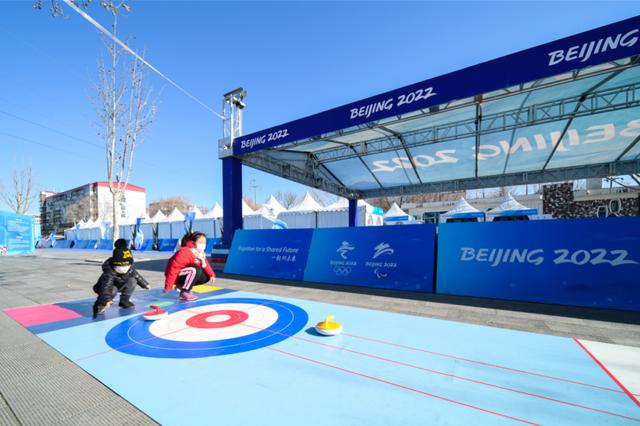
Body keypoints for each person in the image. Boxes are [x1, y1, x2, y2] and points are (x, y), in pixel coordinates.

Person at [92, 239, 151, 318]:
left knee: (133, 280)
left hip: (121, 284)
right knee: (113, 290)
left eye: (127, 266)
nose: (125, 268)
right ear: (115, 264)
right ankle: (100, 305)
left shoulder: (129, 268)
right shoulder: (109, 272)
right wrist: (107, 299)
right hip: (105, 289)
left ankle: (124, 301)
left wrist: (145, 284)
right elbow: (106, 287)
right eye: (122, 266)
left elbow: (136, 275)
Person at [164, 232, 215, 301]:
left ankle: (184, 287)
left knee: (206, 276)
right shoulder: (185, 252)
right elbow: (173, 269)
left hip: (186, 273)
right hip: (176, 274)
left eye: (204, 242)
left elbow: (205, 264)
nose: (203, 244)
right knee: (196, 270)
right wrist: (168, 286)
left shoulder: (200, 253)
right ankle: (184, 292)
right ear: (193, 242)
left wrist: (212, 275)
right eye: (200, 242)